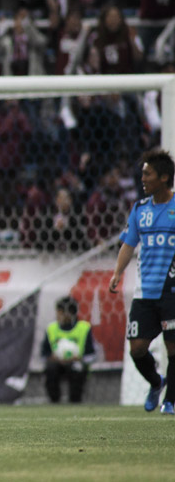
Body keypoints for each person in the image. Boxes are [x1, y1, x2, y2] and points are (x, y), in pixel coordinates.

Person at [109, 148, 175, 415]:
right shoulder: (140, 209)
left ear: (164, 177)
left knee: (173, 349)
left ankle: (170, 401)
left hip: (171, 291)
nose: (143, 179)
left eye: (147, 174)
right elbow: (129, 244)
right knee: (137, 349)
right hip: (144, 291)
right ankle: (156, 382)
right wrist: (117, 272)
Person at [41, 295, 97, 403]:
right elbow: (44, 354)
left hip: (76, 362)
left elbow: (91, 355)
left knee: (77, 368)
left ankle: (75, 402)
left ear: (68, 313)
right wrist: (52, 358)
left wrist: (80, 358)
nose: (57, 315)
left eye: (59, 312)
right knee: (51, 368)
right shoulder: (51, 328)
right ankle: (54, 401)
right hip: (57, 363)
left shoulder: (84, 328)